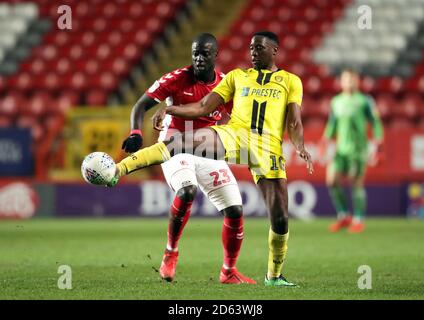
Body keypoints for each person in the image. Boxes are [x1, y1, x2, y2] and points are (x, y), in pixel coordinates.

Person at [110, 31, 313, 286]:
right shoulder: (236, 77)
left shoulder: (290, 81)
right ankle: (118, 170)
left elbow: (293, 121)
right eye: (250, 47)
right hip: (231, 137)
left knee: (275, 216)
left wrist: (300, 145)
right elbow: (204, 106)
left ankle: (266, 275)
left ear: (274, 50)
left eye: (258, 47)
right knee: (181, 159)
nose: (252, 51)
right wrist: (167, 110)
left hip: (267, 149)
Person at [120, 33, 255, 284]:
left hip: (207, 147)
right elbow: (140, 105)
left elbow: (239, 118)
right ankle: (171, 252)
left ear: (216, 55)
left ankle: (228, 271)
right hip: (175, 145)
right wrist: (136, 132)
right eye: (195, 53)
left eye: (204, 53)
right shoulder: (176, 78)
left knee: (235, 210)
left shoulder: (226, 85)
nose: (198, 58)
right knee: (187, 191)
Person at [321, 69, 384, 233]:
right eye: (346, 79)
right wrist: (325, 140)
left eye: (352, 79)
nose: (349, 82)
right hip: (341, 150)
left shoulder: (365, 101)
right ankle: (343, 216)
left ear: (358, 82)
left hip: (358, 150)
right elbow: (332, 124)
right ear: (341, 82)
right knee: (332, 180)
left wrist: (378, 144)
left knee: (356, 183)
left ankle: (358, 219)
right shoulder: (336, 101)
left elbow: (375, 123)